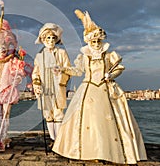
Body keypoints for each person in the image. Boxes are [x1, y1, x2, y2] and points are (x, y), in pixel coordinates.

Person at [52, 9, 147, 164]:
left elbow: (118, 68)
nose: (96, 44)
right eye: (93, 42)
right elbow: (78, 71)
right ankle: (89, 151)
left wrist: (110, 75)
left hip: (105, 89)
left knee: (106, 121)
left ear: (101, 41)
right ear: (89, 42)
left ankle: (108, 152)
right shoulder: (84, 56)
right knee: (89, 122)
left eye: (98, 41)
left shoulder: (108, 55)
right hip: (88, 89)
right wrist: (63, 69)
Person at [0, 0, 26, 151]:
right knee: (0, 116)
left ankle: (4, 137)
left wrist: (18, 78)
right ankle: (1, 137)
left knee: (7, 115)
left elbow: (19, 72)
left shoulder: (13, 60)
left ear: (7, 47)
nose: (2, 50)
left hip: (8, 89)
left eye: (4, 47)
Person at [32, 23, 71, 146]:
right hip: (45, 88)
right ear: (43, 39)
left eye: (53, 38)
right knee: (48, 114)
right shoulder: (39, 56)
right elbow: (35, 73)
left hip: (58, 87)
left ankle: (58, 141)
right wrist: (37, 85)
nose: (50, 41)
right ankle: (53, 139)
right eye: (47, 38)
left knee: (59, 113)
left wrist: (61, 74)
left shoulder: (62, 53)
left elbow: (68, 69)